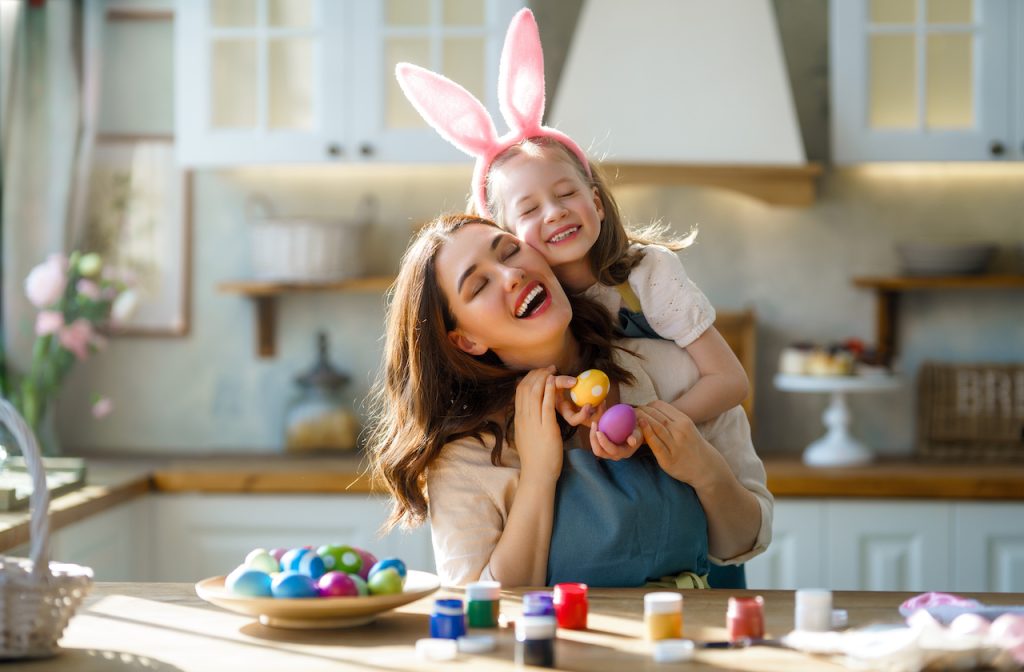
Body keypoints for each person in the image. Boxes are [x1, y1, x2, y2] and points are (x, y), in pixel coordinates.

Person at [395, 8, 749, 457]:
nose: (555, 213)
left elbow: (731, 380)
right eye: (529, 208)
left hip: (699, 442)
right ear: (510, 236)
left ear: (597, 202)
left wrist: (646, 424)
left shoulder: (649, 274)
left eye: (566, 194)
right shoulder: (533, 302)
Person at [365, 214, 772, 588]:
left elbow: (744, 542)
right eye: (480, 285)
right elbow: (483, 603)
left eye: (509, 251)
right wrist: (540, 472)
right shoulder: (463, 456)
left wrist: (704, 470)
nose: (510, 274)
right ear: (467, 340)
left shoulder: (680, 374)